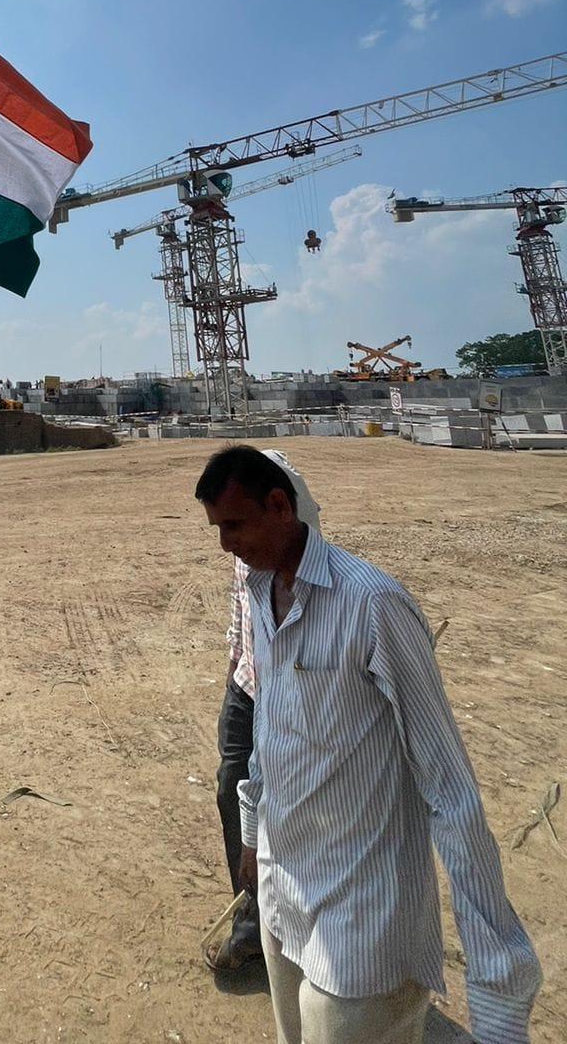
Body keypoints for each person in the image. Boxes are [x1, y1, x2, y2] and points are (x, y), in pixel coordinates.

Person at [196, 445, 540, 1044]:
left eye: (234, 525)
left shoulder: (373, 604)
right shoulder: (258, 593)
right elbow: (268, 734)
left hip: (363, 917)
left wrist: (497, 991)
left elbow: (451, 790)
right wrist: (252, 835)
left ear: (280, 506)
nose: (225, 545)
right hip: (283, 890)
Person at [211, 446, 322, 973]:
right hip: (246, 680)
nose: (226, 542)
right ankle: (252, 920)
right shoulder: (236, 509)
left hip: (286, 682)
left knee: (293, 797)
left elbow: (302, 585)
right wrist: (235, 659)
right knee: (234, 787)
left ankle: (302, 919)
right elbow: (242, 597)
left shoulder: (277, 496)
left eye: (233, 526)